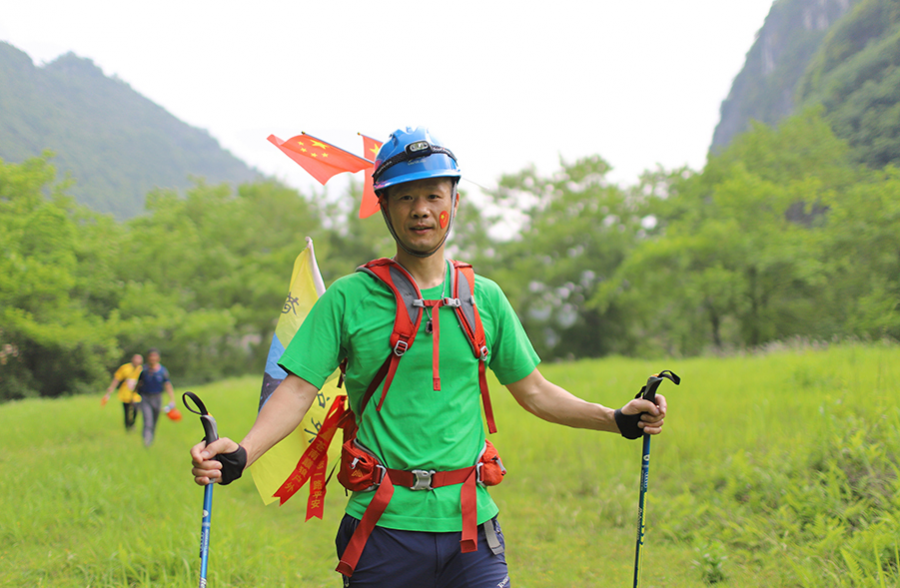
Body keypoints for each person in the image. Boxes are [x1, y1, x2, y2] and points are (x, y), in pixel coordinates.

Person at [190, 127, 668, 587]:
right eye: (405, 197)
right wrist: (242, 454)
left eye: (434, 196)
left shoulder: (486, 299)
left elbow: (537, 392)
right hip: (380, 529)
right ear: (384, 206)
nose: (421, 210)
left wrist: (617, 419)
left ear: (454, 202)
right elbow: (296, 390)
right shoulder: (347, 299)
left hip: (471, 530)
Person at [136, 348, 176, 447]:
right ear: (148, 358)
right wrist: (134, 397)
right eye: (151, 356)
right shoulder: (144, 370)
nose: (153, 358)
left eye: (155, 356)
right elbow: (138, 384)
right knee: (147, 420)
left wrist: (172, 399)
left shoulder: (162, 371)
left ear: (158, 358)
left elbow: (167, 385)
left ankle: (151, 440)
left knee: (154, 421)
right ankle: (146, 442)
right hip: (145, 398)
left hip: (157, 398)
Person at [102, 353, 143, 431]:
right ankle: (127, 427)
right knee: (127, 411)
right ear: (132, 360)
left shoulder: (142, 370)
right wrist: (111, 388)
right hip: (125, 393)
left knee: (136, 409)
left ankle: (132, 423)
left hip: (136, 393)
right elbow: (117, 378)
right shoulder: (125, 368)